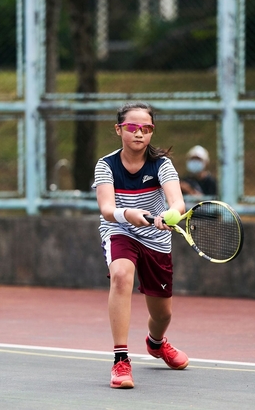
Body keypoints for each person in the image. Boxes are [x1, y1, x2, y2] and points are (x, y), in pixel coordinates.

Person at [92, 101, 189, 389]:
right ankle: (120, 360)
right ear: (118, 129)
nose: (139, 134)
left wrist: (170, 215)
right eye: (132, 127)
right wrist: (130, 216)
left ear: (151, 132)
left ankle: (156, 344)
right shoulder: (105, 165)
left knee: (163, 315)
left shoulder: (162, 164)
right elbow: (108, 209)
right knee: (121, 275)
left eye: (146, 128)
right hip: (120, 230)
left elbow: (177, 201)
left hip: (157, 238)